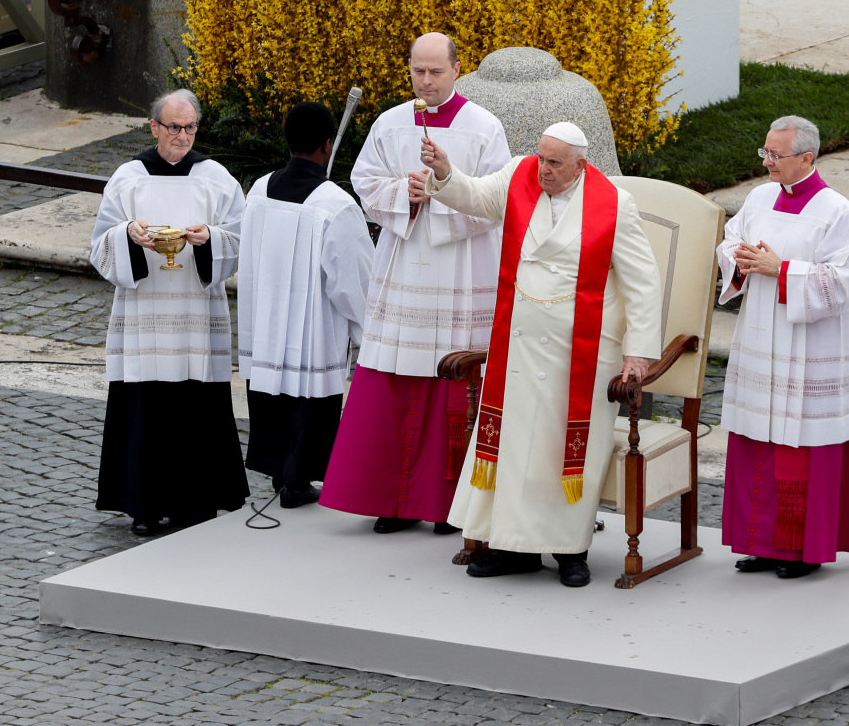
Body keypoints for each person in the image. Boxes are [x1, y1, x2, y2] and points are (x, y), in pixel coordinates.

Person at [419, 122, 662, 587]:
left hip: (581, 353)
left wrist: (639, 354)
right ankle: (512, 547)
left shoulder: (615, 204)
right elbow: (473, 197)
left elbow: (642, 282)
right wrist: (446, 170)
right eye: (541, 158)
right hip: (519, 342)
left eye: (554, 163)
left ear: (580, 165)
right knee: (512, 448)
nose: (543, 170)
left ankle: (571, 551)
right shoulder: (519, 174)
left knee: (563, 452)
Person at [320, 32, 511, 535]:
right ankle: (393, 499)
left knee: (454, 383)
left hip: (462, 270)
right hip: (404, 265)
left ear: (456, 69)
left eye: (436, 72)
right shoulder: (390, 123)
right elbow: (364, 183)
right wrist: (404, 193)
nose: (426, 82)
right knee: (396, 377)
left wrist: (444, 193)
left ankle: (448, 503)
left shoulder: (483, 128)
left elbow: (498, 202)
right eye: (418, 72)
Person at [90, 90, 249, 535]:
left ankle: (196, 501)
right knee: (147, 407)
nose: (183, 136)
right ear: (154, 127)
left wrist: (210, 239)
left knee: (196, 405)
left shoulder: (215, 178)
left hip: (197, 318)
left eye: (191, 127)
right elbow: (99, 245)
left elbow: (240, 240)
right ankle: (144, 503)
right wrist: (127, 235)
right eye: (174, 127)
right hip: (144, 317)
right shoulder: (129, 178)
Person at [717, 115, 849, 579]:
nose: (767, 163)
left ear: (807, 157)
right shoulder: (759, 197)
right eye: (764, 153)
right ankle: (758, 543)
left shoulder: (837, 211)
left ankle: (799, 550)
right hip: (763, 340)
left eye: (776, 156)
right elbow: (730, 241)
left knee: (799, 450)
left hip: (809, 349)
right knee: (756, 441)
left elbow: (841, 282)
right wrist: (738, 259)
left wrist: (781, 270)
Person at [238, 103, 374, 507]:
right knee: (307, 395)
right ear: (328, 145)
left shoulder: (259, 190)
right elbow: (354, 281)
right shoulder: (336, 205)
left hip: (265, 322)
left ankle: (283, 474)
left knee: (273, 391)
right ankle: (297, 480)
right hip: (311, 329)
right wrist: (367, 330)